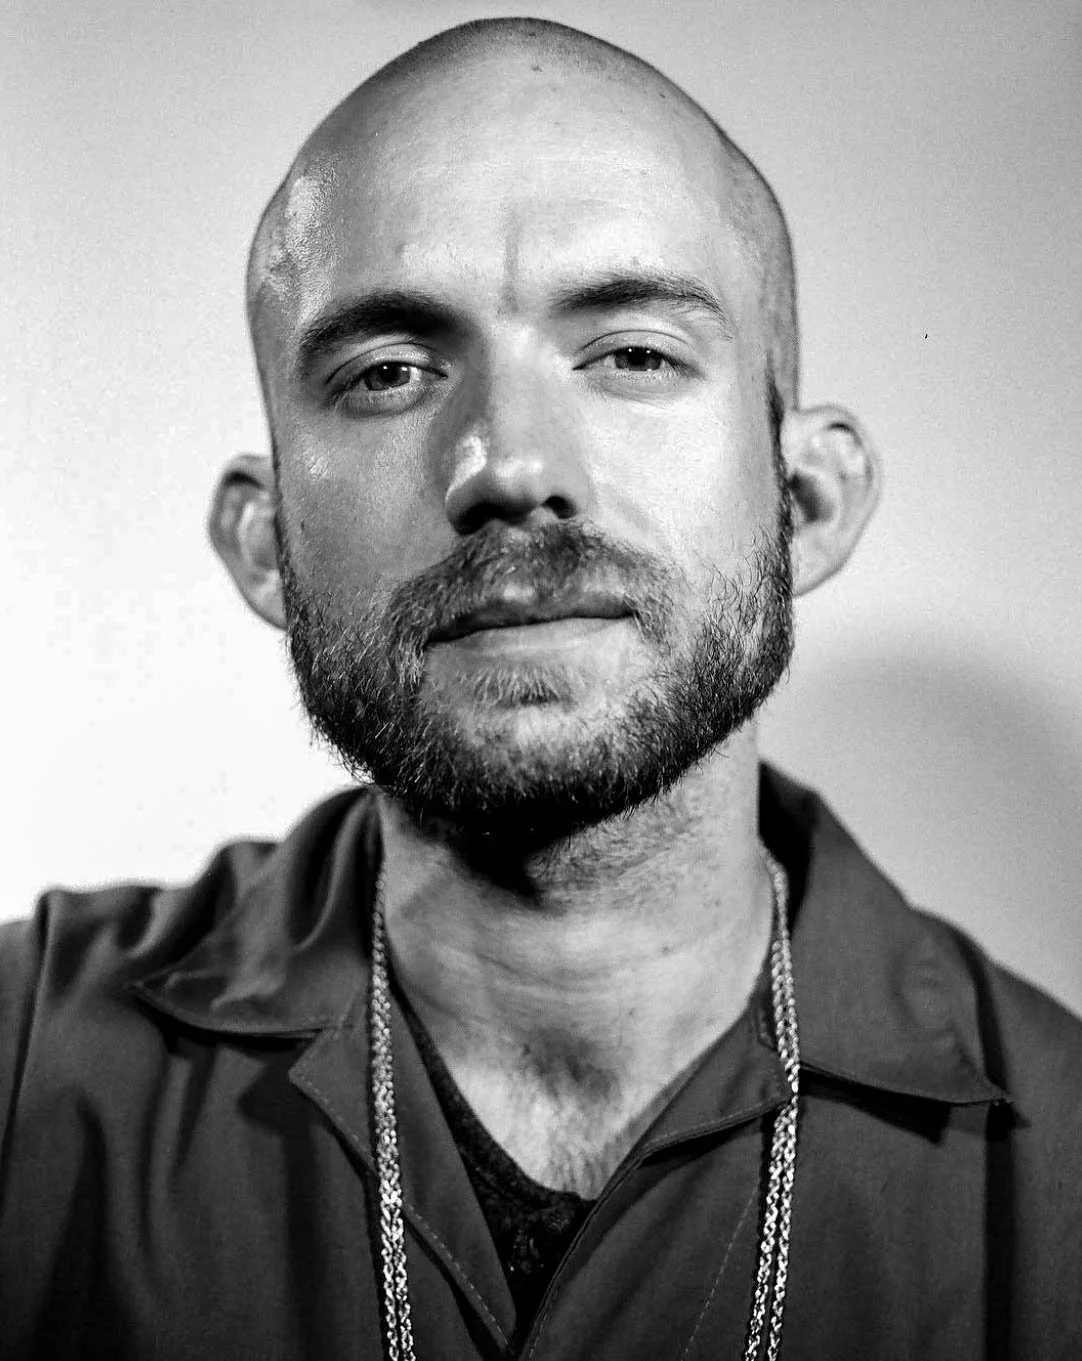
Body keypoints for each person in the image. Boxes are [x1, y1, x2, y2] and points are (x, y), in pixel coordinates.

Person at [1, 16, 1079, 1360]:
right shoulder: (20, 1068)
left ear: (803, 501)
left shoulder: (1065, 1165)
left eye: (631, 353)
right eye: (390, 373)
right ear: (267, 541)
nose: (507, 463)